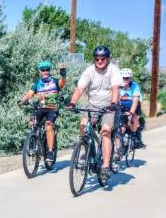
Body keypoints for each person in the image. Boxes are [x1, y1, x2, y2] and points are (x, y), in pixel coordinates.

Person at [67, 46, 123, 183]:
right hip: (92, 105)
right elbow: (80, 88)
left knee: (105, 131)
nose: (99, 61)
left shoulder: (113, 70)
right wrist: (72, 103)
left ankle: (104, 166)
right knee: (83, 126)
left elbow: (115, 88)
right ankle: (87, 152)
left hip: (109, 106)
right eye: (97, 59)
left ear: (108, 59)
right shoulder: (89, 71)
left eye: (102, 59)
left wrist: (114, 103)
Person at [18, 60, 66, 161]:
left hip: (52, 109)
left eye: (47, 70)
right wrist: (22, 100)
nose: (45, 72)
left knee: (48, 126)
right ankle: (33, 143)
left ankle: (49, 152)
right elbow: (29, 94)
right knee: (32, 122)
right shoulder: (37, 84)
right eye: (43, 70)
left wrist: (63, 75)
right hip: (40, 108)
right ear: (40, 71)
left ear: (49, 71)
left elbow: (62, 84)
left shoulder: (55, 81)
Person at [119, 68, 146, 149]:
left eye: (127, 78)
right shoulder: (118, 86)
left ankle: (136, 137)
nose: (125, 80)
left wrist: (131, 113)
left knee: (133, 118)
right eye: (123, 78)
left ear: (130, 78)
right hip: (122, 106)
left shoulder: (134, 86)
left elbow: (135, 101)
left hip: (133, 105)